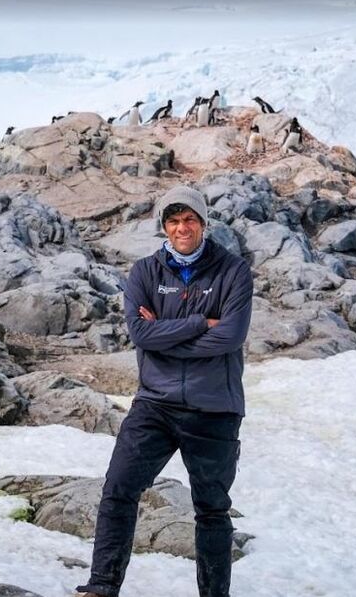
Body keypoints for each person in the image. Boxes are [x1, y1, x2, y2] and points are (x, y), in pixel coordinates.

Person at [77, 186, 254, 597]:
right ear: (163, 226)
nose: (181, 228)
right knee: (118, 489)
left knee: (211, 509)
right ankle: (101, 587)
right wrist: (198, 324)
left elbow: (230, 337)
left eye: (189, 219)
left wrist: (166, 334)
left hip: (214, 408)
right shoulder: (144, 272)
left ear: (204, 223)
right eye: (173, 221)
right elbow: (140, 334)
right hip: (155, 404)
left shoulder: (233, 271)